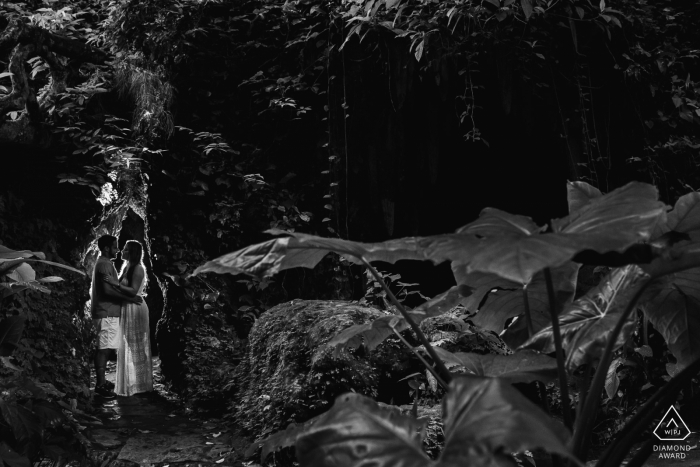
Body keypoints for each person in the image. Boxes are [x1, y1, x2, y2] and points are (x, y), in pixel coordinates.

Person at [91, 235, 143, 399]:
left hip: (109, 311)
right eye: (115, 247)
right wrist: (130, 298)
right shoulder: (105, 264)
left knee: (106, 346)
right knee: (104, 348)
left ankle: (103, 382)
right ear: (106, 248)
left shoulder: (106, 264)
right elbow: (107, 291)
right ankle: (100, 385)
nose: (118, 250)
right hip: (106, 311)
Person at [104, 240, 153, 396]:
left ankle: (143, 383)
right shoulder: (126, 267)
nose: (121, 251)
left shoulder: (138, 268)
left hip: (136, 309)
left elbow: (132, 291)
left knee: (137, 344)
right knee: (130, 344)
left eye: (125, 250)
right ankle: (136, 383)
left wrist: (115, 284)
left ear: (131, 252)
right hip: (128, 307)